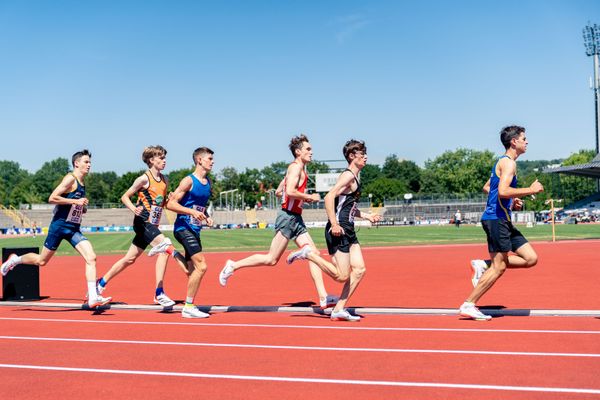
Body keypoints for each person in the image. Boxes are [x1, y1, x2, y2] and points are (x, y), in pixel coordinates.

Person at [218, 134, 339, 309]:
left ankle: (323, 297)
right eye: (308, 149)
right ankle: (233, 265)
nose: (311, 152)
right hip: (288, 218)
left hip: (295, 217)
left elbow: (278, 191)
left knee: (313, 254)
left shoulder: (299, 169)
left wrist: (289, 193)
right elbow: (289, 191)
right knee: (271, 259)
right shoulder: (295, 168)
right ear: (298, 152)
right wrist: (308, 196)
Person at [1, 150, 111, 309]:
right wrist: (75, 202)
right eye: (86, 162)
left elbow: (74, 204)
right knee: (42, 261)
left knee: (91, 257)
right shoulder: (70, 179)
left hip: (73, 228)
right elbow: (52, 198)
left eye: (89, 162)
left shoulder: (82, 182)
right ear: (76, 163)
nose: (89, 165)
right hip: (59, 227)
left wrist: (81, 207)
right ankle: (15, 260)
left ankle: (93, 297)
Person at [287, 139, 381, 321]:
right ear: (352, 156)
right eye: (362, 155)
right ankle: (308, 254)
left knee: (360, 270)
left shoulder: (355, 176)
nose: (366, 157)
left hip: (349, 229)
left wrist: (367, 216)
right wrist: (335, 223)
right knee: (341, 276)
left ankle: (338, 309)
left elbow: (347, 206)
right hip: (338, 229)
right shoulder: (347, 176)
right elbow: (329, 197)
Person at [459, 126, 544, 320]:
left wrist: (510, 201)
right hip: (496, 220)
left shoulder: (505, 163)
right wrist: (530, 190)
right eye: (524, 138)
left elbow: (488, 187)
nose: (527, 141)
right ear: (514, 141)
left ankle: (483, 264)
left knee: (530, 258)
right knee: (500, 267)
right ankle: (468, 304)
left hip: (503, 218)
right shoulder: (508, 164)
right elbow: (503, 190)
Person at [96, 145, 177, 307]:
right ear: (151, 160)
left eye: (165, 157)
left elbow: (163, 203)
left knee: (129, 259)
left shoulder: (165, 180)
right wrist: (134, 208)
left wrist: (171, 199)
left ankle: (100, 283)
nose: (164, 161)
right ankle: (159, 293)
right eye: (161, 158)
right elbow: (124, 196)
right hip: (142, 222)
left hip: (152, 224)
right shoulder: (143, 179)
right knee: (165, 248)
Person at [165, 147, 215, 318]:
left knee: (190, 270)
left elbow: (198, 207)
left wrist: (206, 217)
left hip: (195, 229)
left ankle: (168, 249)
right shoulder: (188, 181)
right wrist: (192, 213)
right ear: (199, 160)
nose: (213, 161)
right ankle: (188, 306)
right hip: (183, 228)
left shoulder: (208, 183)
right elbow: (171, 204)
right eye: (209, 158)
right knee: (202, 267)